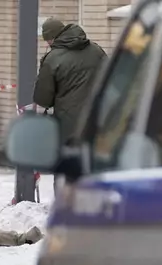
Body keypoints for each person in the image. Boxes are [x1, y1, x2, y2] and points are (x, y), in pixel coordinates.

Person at [33, 18, 107, 191]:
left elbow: (43, 99)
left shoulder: (52, 59)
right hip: (99, 122)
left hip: (68, 127)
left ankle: (66, 207)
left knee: (66, 172)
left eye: (48, 40)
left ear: (52, 37)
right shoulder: (96, 50)